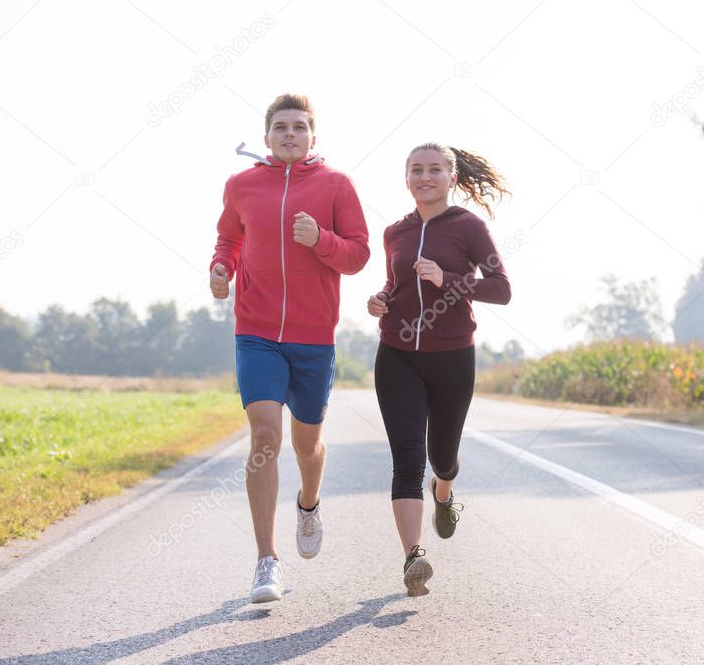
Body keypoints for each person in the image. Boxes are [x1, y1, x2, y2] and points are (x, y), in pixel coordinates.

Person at [210, 93, 370, 603]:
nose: (290, 134)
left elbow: (358, 255)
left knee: (307, 446)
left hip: (313, 338)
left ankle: (308, 502)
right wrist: (221, 271)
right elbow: (228, 241)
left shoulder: (336, 186)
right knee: (264, 437)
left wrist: (320, 238)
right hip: (255, 332)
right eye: (281, 127)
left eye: (300, 127)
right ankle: (266, 560)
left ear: (313, 138)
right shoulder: (241, 185)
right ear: (266, 137)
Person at [367, 143, 511, 596]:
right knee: (407, 456)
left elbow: (501, 289)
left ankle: (443, 492)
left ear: (451, 177)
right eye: (416, 170)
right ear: (405, 178)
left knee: (441, 456)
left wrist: (446, 280)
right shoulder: (395, 232)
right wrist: (380, 300)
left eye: (434, 170)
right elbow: (394, 285)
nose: (424, 177)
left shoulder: (469, 227)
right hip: (397, 355)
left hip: (452, 356)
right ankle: (414, 557)